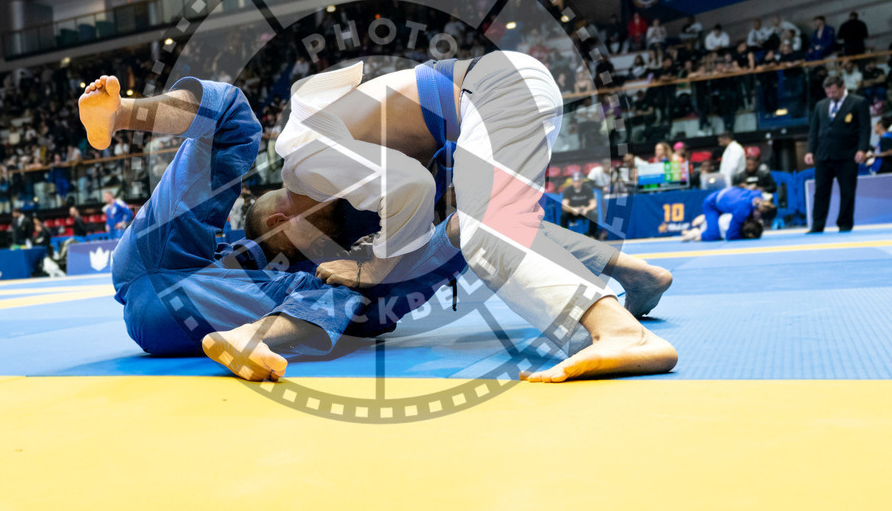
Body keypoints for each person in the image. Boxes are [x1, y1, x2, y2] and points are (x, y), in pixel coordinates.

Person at [80, 72, 674, 384]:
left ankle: (629, 279)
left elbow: (466, 224)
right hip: (191, 274)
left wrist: (618, 262)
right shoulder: (317, 173)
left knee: (456, 234)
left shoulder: (354, 194)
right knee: (367, 285)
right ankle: (123, 114)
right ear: (286, 215)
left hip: (173, 289)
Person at [251, 51, 677, 383]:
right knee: (476, 224)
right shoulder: (338, 179)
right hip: (494, 92)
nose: (322, 250)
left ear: (280, 222)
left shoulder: (300, 163)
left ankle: (622, 333)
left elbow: (411, 186)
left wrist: (375, 271)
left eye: (301, 246)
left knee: (484, 230)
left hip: (494, 91)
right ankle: (637, 274)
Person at [805, 75, 871, 233]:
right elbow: (814, 130)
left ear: (842, 87)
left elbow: (864, 128)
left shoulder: (858, 102)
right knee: (820, 191)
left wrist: (862, 149)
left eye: (834, 92)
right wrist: (810, 151)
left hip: (847, 155)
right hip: (823, 155)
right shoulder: (821, 105)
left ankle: (845, 223)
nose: (831, 96)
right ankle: (817, 225)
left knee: (847, 191)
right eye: (828, 93)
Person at [681, 187, 776, 242]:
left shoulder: (758, 195)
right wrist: (744, 236)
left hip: (722, 197)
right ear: (758, 212)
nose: (758, 219)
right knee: (712, 235)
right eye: (759, 217)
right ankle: (695, 232)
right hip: (711, 205)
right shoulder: (742, 210)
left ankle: (706, 220)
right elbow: (731, 234)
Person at [559, 172, 598, 238]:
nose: (576, 183)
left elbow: (593, 203)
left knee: (594, 214)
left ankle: (592, 235)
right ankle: (564, 236)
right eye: (575, 181)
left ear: (582, 181)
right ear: (572, 181)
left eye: (578, 181)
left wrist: (587, 209)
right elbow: (564, 205)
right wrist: (572, 209)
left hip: (584, 211)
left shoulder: (587, 189)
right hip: (572, 212)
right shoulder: (568, 190)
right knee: (563, 215)